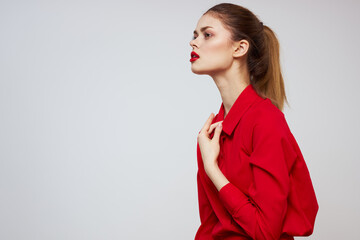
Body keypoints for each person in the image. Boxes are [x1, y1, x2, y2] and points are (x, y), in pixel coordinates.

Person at [189, 3, 319, 240]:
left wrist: (213, 170)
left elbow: (265, 232)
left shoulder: (265, 121)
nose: (194, 42)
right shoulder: (210, 134)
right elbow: (210, 226)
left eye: (207, 34)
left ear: (239, 48)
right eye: (195, 35)